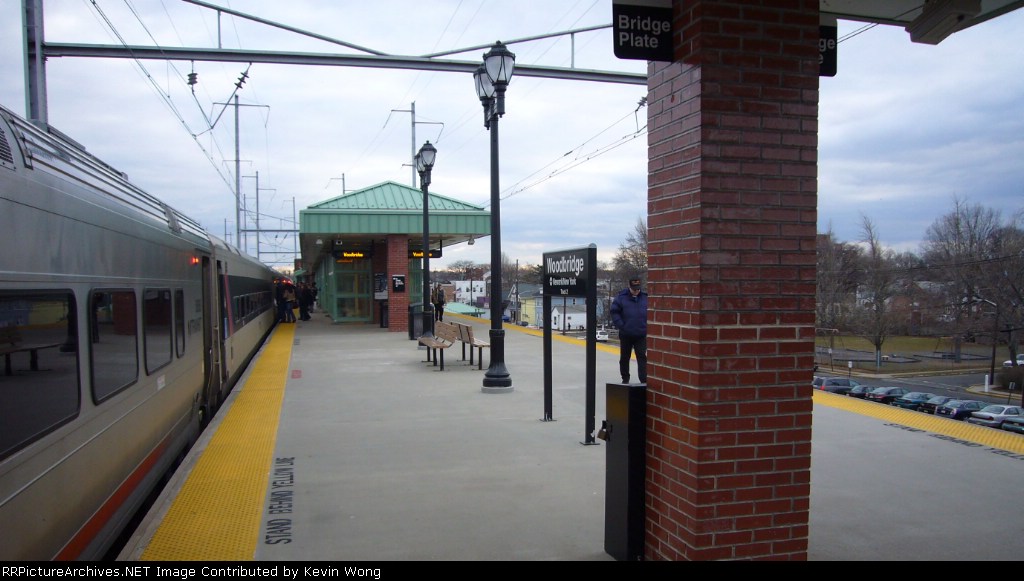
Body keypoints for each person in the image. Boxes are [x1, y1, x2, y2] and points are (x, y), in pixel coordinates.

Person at [610, 275, 648, 385]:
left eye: (638, 289)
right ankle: (625, 379)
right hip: (626, 334)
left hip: (641, 334)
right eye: (634, 289)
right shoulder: (621, 298)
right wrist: (622, 325)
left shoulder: (645, 297)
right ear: (629, 286)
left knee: (641, 357)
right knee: (625, 357)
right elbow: (614, 312)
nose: (636, 291)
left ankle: (644, 380)